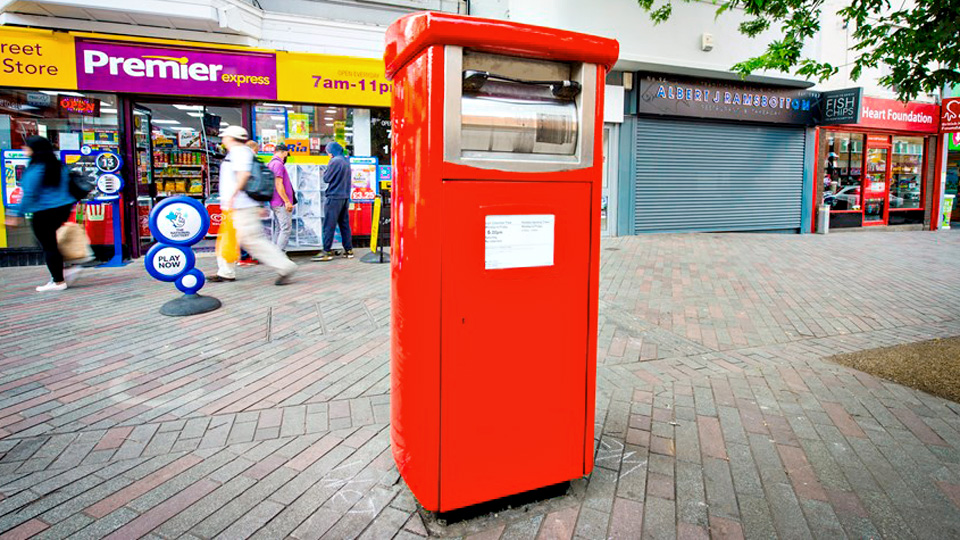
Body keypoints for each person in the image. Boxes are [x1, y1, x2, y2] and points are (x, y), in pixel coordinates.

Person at [206, 126, 296, 285]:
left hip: (241, 206)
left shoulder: (240, 152)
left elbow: (244, 175)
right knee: (228, 239)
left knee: (252, 241)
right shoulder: (240, 152)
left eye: (225, 137)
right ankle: (226, 271)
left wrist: (233, 195)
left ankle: (285, 266)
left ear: (232, 138)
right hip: (236, 207)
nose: (223, 140)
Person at [3, 136, 79, 292]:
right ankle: (65, 270)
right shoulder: (59, 166)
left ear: (35, 149)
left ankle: (58, 281)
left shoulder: (36, 169)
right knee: (49, 243)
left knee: (47, 245)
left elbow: (29, 194)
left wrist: (16, 214)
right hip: (62, 209)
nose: (24, 149)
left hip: (43, 211)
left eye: (27, 146)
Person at [312, 142, 353, 262]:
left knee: (329, 225)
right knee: (344, 224)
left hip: (334, 197)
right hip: (345, 197)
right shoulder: (346, 161)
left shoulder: (335, 161)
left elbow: (326, 178)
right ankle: (348, 250)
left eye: (328, 152)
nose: (328, 154)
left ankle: (326, 251)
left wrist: (325, 171)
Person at [268, 143, 295, 251]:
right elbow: (279, 184)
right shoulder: (278, 164)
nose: (286, 157)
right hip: (280, 202)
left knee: (279, 228)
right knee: (285, 229)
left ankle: (274, 253)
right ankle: (279, 255)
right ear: (284, 152)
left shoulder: (271, 163)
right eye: (286, 154)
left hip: (274, 201)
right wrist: (287, 201)